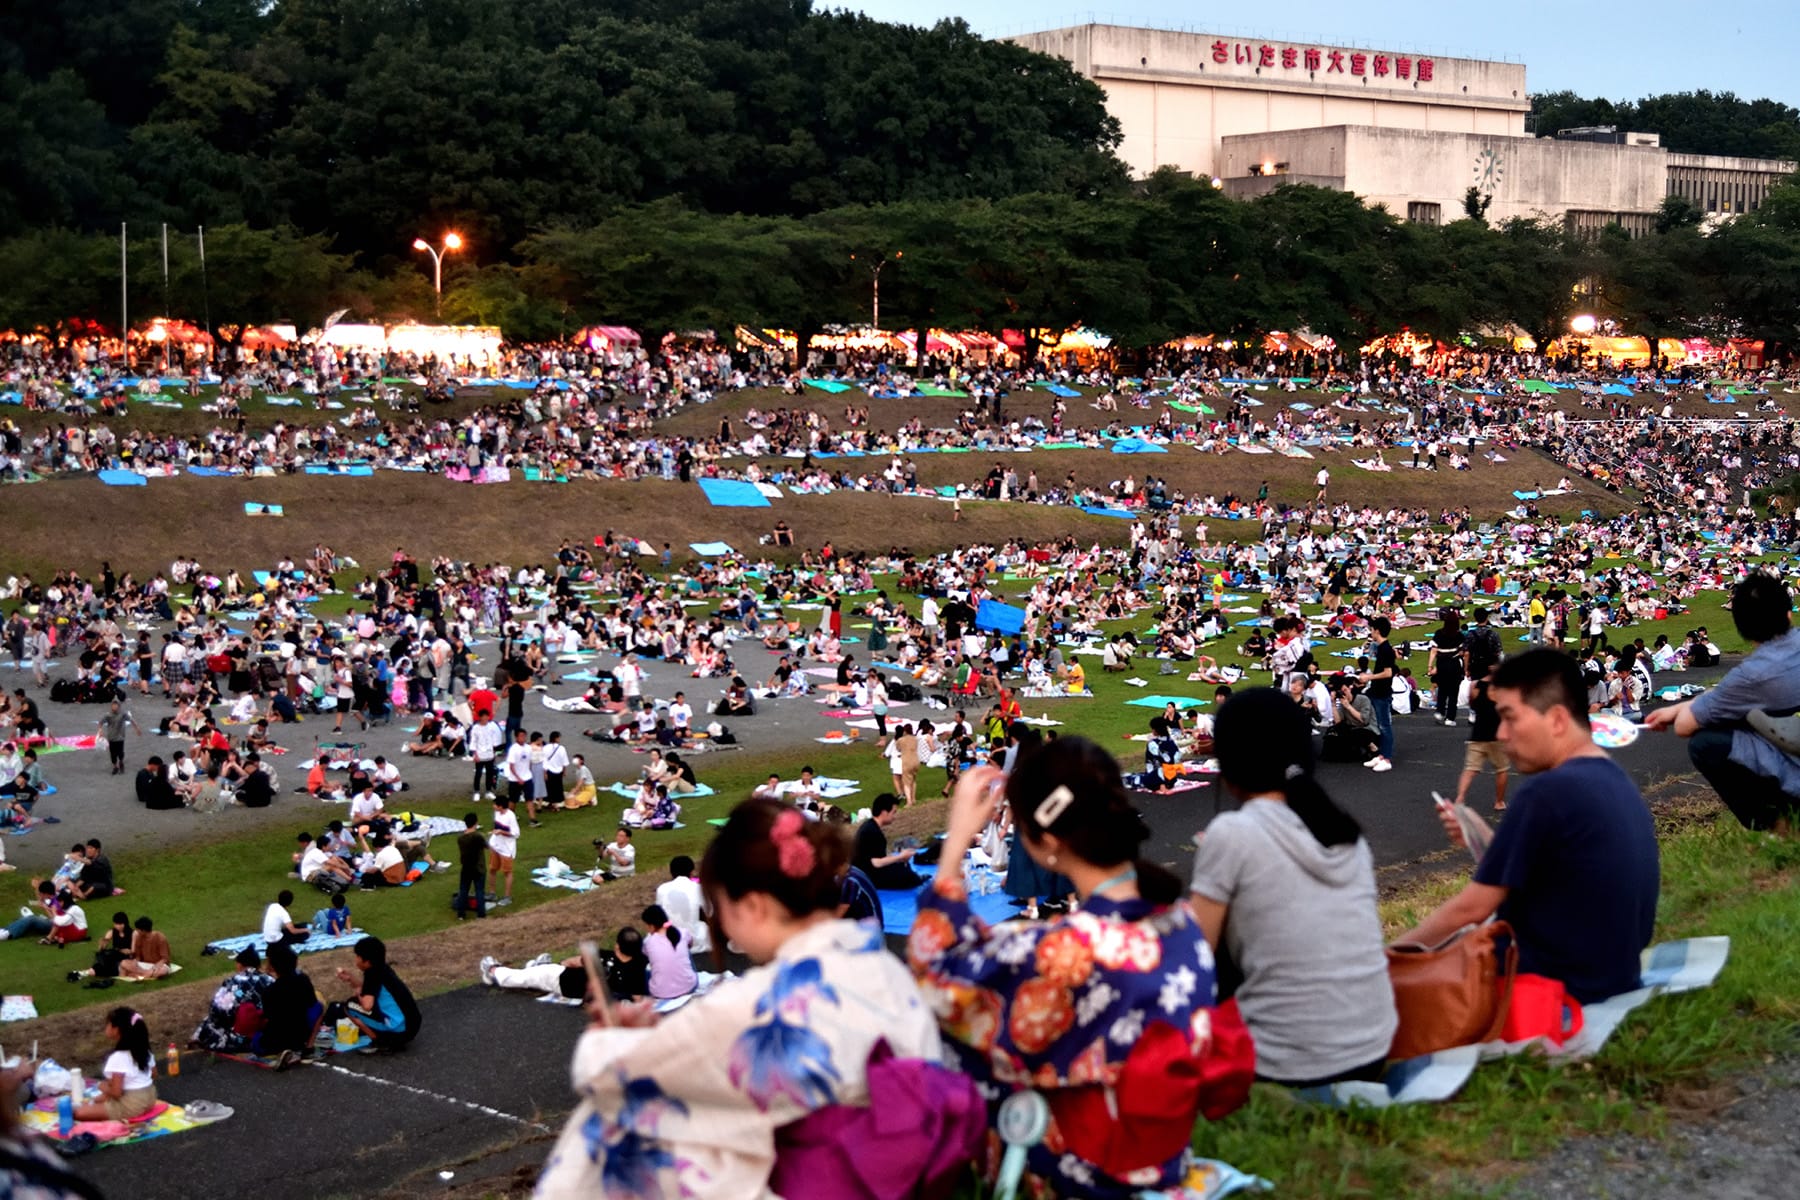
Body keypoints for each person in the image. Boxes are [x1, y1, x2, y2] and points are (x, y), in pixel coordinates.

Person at [535, 798, 967, 1199]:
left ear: (753, 904)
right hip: (906, 1176)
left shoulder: (754, 1007)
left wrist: (610, 1041)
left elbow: (612, 1077)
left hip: (825, 1183)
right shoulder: (888, 974)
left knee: (610, 1126)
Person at [908, 738, 1235, 1199]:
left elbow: (936, 974)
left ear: (1047, 842)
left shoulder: (1061, 949)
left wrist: (955, 845)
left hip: (1080, 1173)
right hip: (1160, 1158)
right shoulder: (1182, 925)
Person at [1406, 650, 1660, 1004]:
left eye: (1510, 717)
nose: (1501, 733)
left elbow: (1472, 908)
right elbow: (1546, 876)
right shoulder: (1611, 778)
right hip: (1613, 973)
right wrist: (1480, 833)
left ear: (1556, 720)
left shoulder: (1547, 793)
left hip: (1552, 987)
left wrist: (1389, 957)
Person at [1189, 689, 1396, 1086]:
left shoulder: (1233, 833)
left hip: (1286, 1066)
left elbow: (1193, 959)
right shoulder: (1344, 833)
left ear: (1229, 764)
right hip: (1372, 1048)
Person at [1645, 573, 1800, 832]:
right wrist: (1675, 708)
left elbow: (1685, 726)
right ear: (1789, 613)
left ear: (1744, 630)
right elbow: (1720, 700)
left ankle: (1779, 826)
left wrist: (1681, 712)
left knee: (1705, 743)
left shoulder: (1751, 675)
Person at [333, 935, 422, 1049]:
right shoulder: (383, 968)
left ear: (367, 961)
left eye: (358, 956)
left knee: (349, 1006)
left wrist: (358, 992)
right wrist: (350, 978)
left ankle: (379, 1041)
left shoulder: (372, 974)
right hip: (413, 1025)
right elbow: (368, 988)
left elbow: (367, 1006)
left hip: (401, 1031)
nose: (356, 960)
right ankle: (385, 1035)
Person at [72, 1007, 158, 1122]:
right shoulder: (144, 1051)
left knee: (79, 1113)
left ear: (116, 1029)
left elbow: (116, 1093)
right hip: (150, 1098)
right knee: (102, 1095)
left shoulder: (118, 1057)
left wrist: (101, 1086)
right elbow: (153, 1074)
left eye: (108, 1024)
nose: (105, 1027)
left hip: (132, 1105)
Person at [190, 946, 272, 1053]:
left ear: (240, 965)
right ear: (258, 965)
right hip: (268, 1029)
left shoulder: (232, 982)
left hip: (243, 1032)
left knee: (209, 1024)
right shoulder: (270, 980)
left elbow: (217, 1011)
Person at [1454, 666, 1510, 812]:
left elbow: (1472, 704)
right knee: (1502, 769)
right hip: (1497, 735)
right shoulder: (1501, 689)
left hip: (1478, 733)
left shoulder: (1475, 686)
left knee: (1470, 769)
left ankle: (1460, 797)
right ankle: (1499, 802)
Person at [259, 942, 320, 1068]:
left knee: (256, 1040)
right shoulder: (303, 980)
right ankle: (308, 1048)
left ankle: (283, 1050)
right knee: (319, 1006)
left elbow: (267, 1018)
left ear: (272, 967)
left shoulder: (269, 991)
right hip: (301, 1033)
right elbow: (313, 1004)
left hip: (274, 1039)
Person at [852, 793, 921, 890]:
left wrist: (899, 859)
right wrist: (900, 857)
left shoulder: (870, 826)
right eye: (893, 812)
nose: (894, 816)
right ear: (884, 812)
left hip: (866, 870)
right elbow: (876, 862)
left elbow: (879, 857)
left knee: (901, 866)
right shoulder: (872, 832)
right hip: (868, 875)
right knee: (907, 875)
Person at [1357, 616, 1396, 770]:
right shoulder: (1382, 648)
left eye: (1372, 629)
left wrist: (1369, 677)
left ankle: (1386, 759)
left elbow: (1388, 673)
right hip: (1377, 690)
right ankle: (1381, 755)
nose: (1370, 632)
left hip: (1383, 692)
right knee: (1378, 724)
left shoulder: (1386, 649)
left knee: (1384, 725)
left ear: (1377, 631)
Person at [655, 855, 711, 957]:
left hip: (670, 941)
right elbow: (710, 914)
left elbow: (659, 915)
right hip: (695, 945)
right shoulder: (698, 888)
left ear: (671, 872)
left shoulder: (661, 889)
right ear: (691, 872)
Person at [639, 904, 698, 1000]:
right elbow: (691, 944)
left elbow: (645, 955)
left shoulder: (648, 942)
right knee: (686, 949)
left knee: (647, 971)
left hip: (661, 994)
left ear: (652, 926)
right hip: (689, 987)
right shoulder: (682, 933)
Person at [1428, 608, 1466, 727]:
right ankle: (1450, 717)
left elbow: (1433, 650)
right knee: (1453, 693)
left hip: (1442, 664)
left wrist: (1430, 665)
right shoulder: (1459, 635)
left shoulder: (1439, 633)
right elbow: (1463, 653)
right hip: (1454, 664)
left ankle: (1440, 711)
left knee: (1443, 689)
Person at [488, 795, 519, 907]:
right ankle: (492, 893)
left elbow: (516, 834)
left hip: (506, 849)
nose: (493, 806)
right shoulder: (497, 813)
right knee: (492, 869)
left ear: (500, 806)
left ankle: (507, 897)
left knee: (507, 872)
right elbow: (497, 827)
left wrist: (501, 832)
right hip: (496, 845)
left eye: (495, 804)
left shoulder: (510, 816)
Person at [456, 812, 487, 919]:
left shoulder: (460, 838)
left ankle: (461, 914)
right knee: (479, 891)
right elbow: (487, 846)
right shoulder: (478, 836)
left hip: (466, 867)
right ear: (476, 823)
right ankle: (481, 914)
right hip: (478, 867)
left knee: (463, 890)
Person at [97, 700, 139, 775]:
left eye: (116, 705)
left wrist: (137, 728)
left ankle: (121, 761)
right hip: (111, 737)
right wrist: (100, 730)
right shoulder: (108, 715)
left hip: (120, 737)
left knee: (120, 752)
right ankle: (115, 766)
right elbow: (101, 722)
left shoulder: (123, 714)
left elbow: (131, 720)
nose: (114, 707)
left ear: (119, 706)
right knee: (113, 753)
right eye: (113, 705)